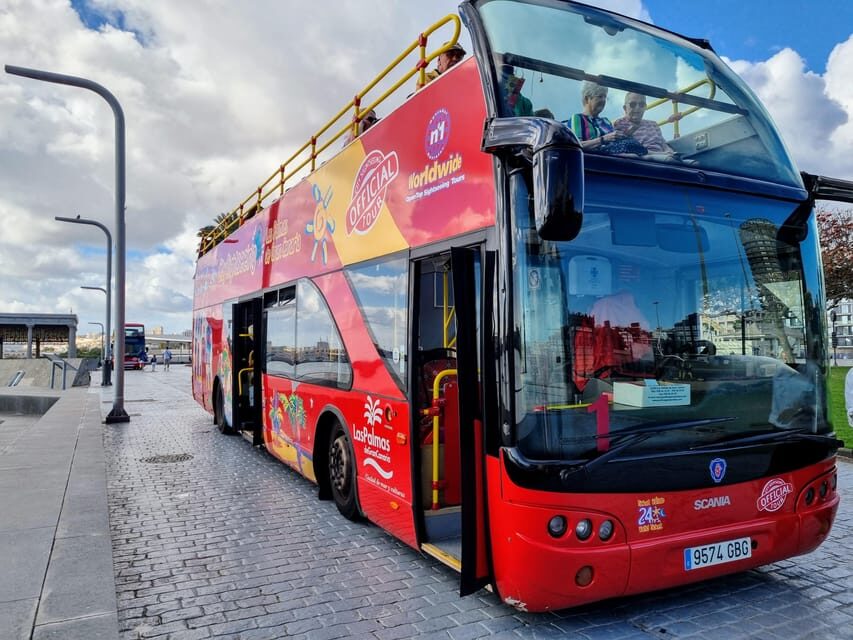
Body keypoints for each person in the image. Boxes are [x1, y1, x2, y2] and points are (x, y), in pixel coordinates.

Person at [567, 81, 645, 155]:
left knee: (637, 146)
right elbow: (576, 145)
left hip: (614, 154)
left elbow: (615, 141)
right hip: (595, 158)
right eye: (600, 96)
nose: (604, 100)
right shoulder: (577, 118)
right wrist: (603, 139)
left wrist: (629, 132)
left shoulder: (605, 121)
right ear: (587, 99)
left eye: (605, 97)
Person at [613, 92, 677, 157]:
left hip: (663, 157)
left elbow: (663, 144)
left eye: (641, 104)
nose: (637, 107)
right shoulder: (620, 123)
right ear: (625, 108)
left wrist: (671, 152)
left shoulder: (653, 124)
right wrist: (663, 155)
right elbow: (628, 148)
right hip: (643, 159)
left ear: (645, 107)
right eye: (633, 104)